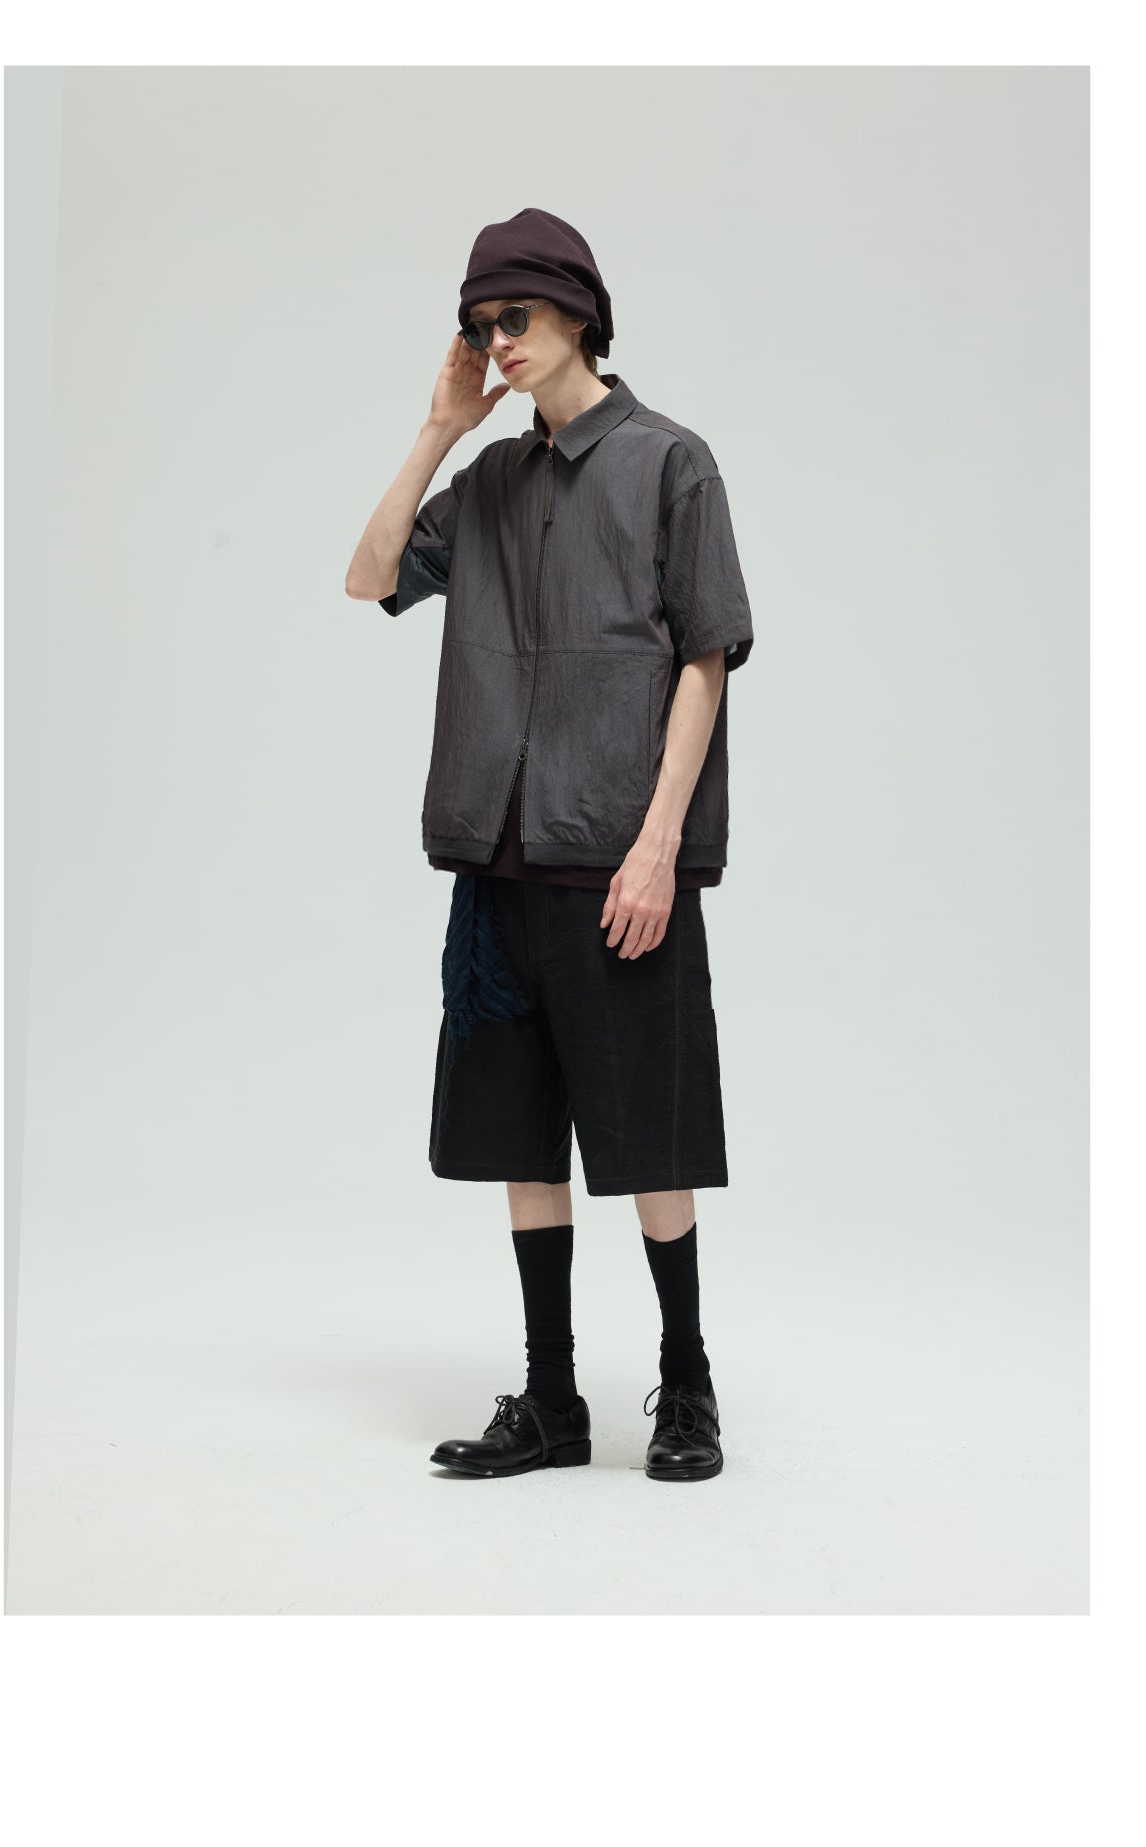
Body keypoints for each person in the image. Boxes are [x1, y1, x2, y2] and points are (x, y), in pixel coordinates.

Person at [345, 208, 754, 1483]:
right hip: (500, 864)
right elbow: (367, 576)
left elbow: (706, 658)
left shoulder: (672, 464)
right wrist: (440, 428)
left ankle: (687, 1385)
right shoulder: (489, 484)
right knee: (524, 1143)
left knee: (653, 1141)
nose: (498, 340)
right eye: (481, 324)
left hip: (619, 864)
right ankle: (553, 1396)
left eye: (513, 316)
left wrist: (659, 844)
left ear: (580, 313)